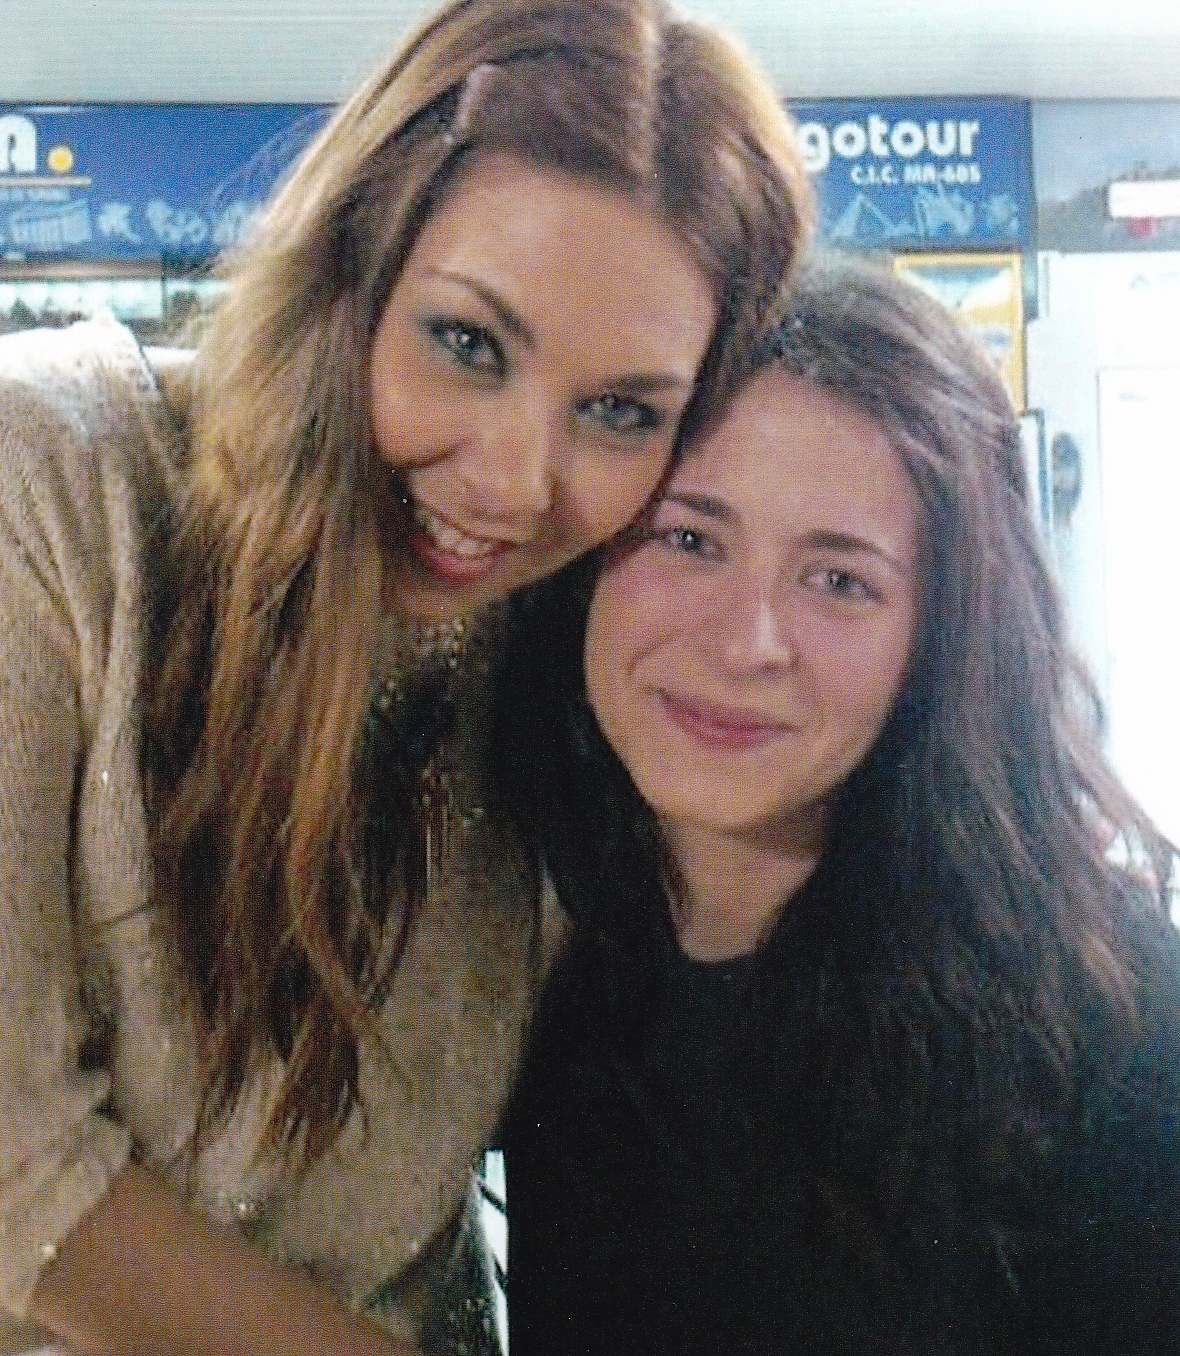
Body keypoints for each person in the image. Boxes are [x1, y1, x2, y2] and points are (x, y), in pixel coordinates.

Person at [0, 2, 812, 1352]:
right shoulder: (52, 477)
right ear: (352, 261)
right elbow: (15, 1164)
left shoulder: (578, 644)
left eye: (620, 412)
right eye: (468, 344)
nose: (514, 485)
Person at [496, 254, 1180, 1354]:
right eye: (689, 538)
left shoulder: (1115, 1029)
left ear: (941, 638)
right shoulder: (529, 953)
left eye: (840, 581)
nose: (746, 642)